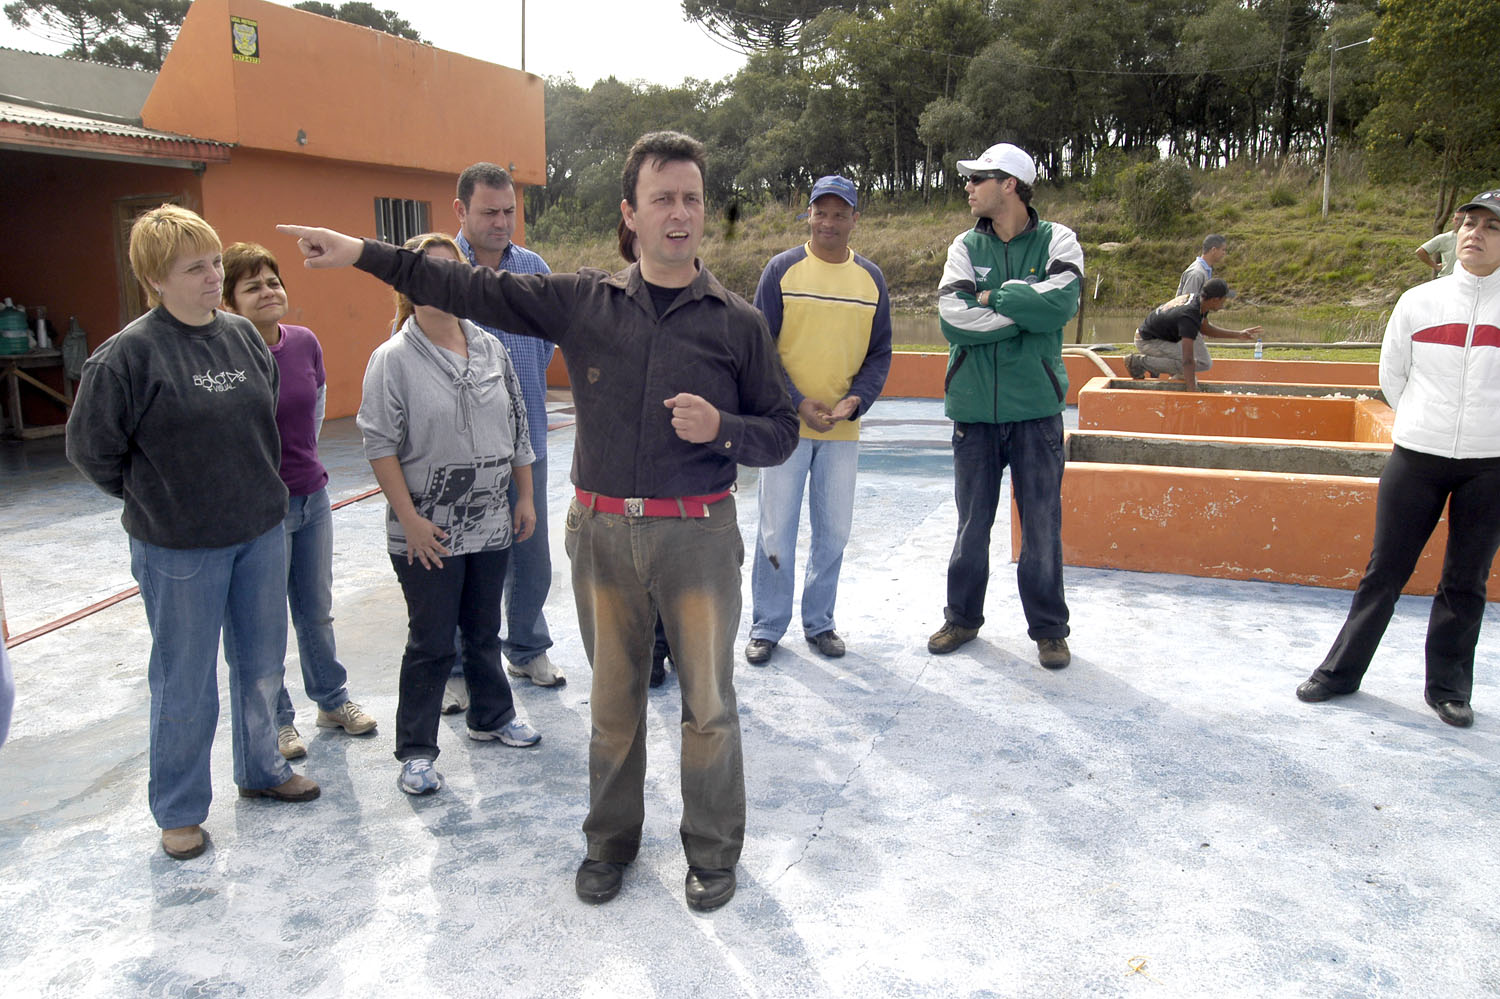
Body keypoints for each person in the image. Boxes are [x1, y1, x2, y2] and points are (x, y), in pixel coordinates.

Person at [278, 130, 798, 912]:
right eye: (662, 197)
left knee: (709, 708)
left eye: (692, 197)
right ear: (631, 212)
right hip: (601, 537)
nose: (680, 213)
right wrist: (360, 251)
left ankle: (714, 853)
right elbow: (463, 288)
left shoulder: (736, 323)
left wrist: (722, 427)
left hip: (697, 534)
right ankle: (609, 844)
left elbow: (783, 428)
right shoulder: (583, 301)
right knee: (614, 705)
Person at [66, 205, 319, 862]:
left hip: (260, 532)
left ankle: (262, 769)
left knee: (262, 665)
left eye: (213, 262)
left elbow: (263, 422)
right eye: (196, 268)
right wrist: (157, 500)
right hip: (178, 549)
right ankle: (179, 809)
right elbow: (92, 449)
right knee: (185, 680)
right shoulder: (127, 357)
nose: (214, 276)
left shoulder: (241, 337)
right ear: (157, 279)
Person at [1296, 189, 1500, 729]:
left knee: (1466, 579)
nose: (1475, 234)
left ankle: (1449, 689)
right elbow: (1394, 378)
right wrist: (1424, 424)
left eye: (1490, 227)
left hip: (1491, 465)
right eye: (1468, 223)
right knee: (1383, 571)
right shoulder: (1419, 301)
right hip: (1417, 457)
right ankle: (1339, 673)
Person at [357, 231, 542, 795]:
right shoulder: (391, 360)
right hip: (428, 529)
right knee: (433, 640)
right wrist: (409, 518)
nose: (439, 283)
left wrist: (526, 495)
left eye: (449, 272)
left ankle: (492, 717)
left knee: (484, 629)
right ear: (408, 286)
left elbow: (517, 428)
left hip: (491, 519)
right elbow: (379, 444)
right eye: (426, 273)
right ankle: (416, 750)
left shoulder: (491, 347)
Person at [925, 142, 1082, 670]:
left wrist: (992, 297)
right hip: (973, 413)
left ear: (1009, 183)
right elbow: (952, 316)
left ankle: (1049, 631)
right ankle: (962, 618)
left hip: (1036, 412)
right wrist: (1023, 308)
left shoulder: (1059, 240)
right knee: (972, 525)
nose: (967, 187)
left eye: (978, 179)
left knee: (1041, 526)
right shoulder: (964, 246)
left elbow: (1061, 303)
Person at [221, 242, 378, 759]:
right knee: (263, 622)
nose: (267, 292)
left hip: (313, 498)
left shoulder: (304, 342)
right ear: (230, 302)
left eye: (272, 281)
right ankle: (278, 720)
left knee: (316, 611)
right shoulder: (227, 353)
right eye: (252, 286)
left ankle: (332, 701)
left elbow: (315, 410)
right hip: (260, 512)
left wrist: (301, 465)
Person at [745, 175, 891, 666]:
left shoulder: (870, 280)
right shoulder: (782, 271)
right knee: (774, 531)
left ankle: (820, 622)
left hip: (842, 432)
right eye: (820, 212)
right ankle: (766, 626)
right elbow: (759, 348)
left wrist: (856, 400)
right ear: (808, 214)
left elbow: (879, 353)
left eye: (839, 213)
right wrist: (794, 400)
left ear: (854, 218)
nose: (829, 222)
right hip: (785, 429)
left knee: (834, 531)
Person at [447, 163, 565, 703]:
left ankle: (526, 648)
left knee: (529, 550)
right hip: (460, 451)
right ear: (461, 212)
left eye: (509, 212)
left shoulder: (532, 269)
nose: (501, 222)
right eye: (489, 212)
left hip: (528, 446)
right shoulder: (438, 267)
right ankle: (457, 663)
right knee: (459, 557)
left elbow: (545, 346)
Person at [1125, 279, 1262, 391]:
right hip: (1148, 340)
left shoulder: (1200, 302)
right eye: (1224, 299)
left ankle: (1178, 376)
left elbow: (1205, 328)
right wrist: (1192, 390)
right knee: (1184, 363)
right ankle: (1138, 362)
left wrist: (1238, 334)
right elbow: (1187, 359)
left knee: (1204, 363)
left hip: (1167, 334)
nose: (1225, 302)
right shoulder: (1189, 316)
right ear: (1215, 300)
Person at [1416, 210, 1464, 280]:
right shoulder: (1444, 238)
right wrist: (1435, 266)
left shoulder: (1473, 238)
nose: (1459, 222)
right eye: (1457, 219)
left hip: (1466, 278)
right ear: (1453, 220)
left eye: (1463, 219)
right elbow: (1420, 251)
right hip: (1447, 278)